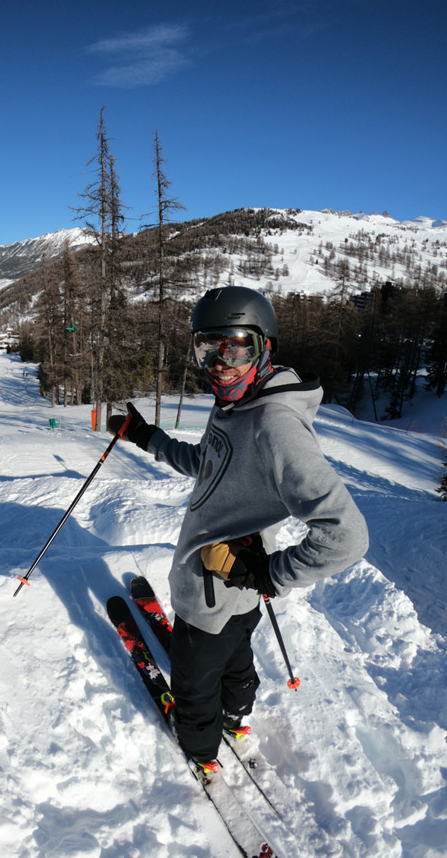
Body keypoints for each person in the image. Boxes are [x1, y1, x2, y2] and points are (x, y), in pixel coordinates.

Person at [108, 286, 369, 776]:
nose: (219, 363)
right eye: (208, 347)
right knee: (234, 658)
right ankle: (234, 716)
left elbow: (346, 535)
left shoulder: (275, 425)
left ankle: (201, 746)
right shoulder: (237, 403)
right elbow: (209, 464)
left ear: (263, 345)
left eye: (236, 346)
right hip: (236, 590)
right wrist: (148, 438)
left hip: (210, 593)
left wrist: (272, 573)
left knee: (193, 678)